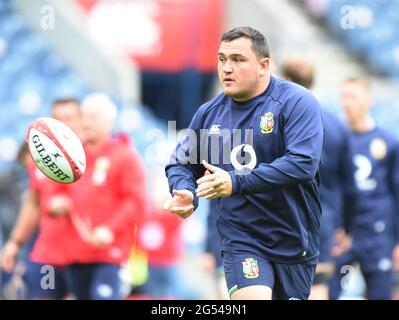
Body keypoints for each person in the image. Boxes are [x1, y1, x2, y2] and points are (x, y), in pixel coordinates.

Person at [164, 26, 324, 300]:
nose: (227, 68)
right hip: (242, 239)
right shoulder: (210, 114)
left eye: (238, 60)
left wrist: (235, 182)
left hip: (294, 240)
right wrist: (185, 191)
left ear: (264, 66)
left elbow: (302, 163)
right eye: (222, 59)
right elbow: (181, 164)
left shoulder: (296, 102)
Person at [48, 93, 148, 300]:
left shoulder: (125, 156)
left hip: (110, 253)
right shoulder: (71, 155)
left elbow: (136, 201)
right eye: (84, 116)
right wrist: (55, 203)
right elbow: (55, 191)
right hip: (74, 252)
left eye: (93, 117)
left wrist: (110, 229)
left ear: (109, 122)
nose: (86, 123)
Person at [281, 57, 357, 300]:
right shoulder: (337, 125)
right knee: (318, 286)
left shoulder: (282, 119)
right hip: (324, 220)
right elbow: (348, 183)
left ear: (288, 80)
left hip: (287, 217)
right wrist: (345, 225)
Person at [0, 98, 83, 299]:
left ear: (81, 120)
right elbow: (33, 202)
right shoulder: (40, 160)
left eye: (69, 118)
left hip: (85, 256)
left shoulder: (97, 157)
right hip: (48, 255)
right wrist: (15, 242)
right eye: (58, 118)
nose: (64, 123)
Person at [329, 77, 399, 300]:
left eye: (353, 97)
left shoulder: (388, 142)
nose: (347, 103)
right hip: (343, 236)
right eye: (344, 97)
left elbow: (396, 192)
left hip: (377, 236)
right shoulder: (335, 139)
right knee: (330, 292)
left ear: (369, 101)